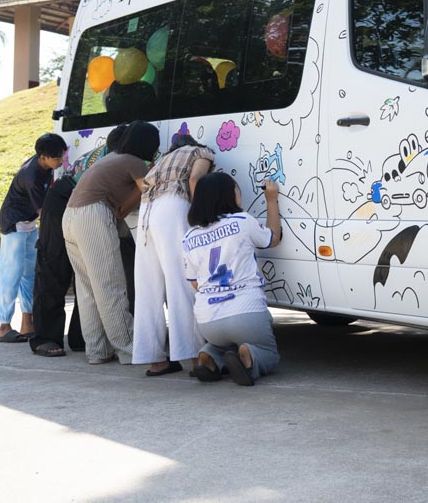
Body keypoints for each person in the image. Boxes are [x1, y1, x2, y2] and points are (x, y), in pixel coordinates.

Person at [62, 120, 159, 364]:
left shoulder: (111, 158)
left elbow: (120, 211)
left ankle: (98, 350)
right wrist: (153, 175)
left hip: (70, 216)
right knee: (110, 285)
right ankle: (131, 349)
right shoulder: (134, 162)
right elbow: (150, 191)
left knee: (87, 289)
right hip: (92, 216)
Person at [29, 124, 129, 357]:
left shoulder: (117, 154)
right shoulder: (120, 158)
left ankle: (81, 336)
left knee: (86, 273)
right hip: (63, 199)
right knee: (54, 267)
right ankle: (45, 337)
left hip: (85, 204)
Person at [183, 172, 282, 386]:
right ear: (228, 195)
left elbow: (194, 283)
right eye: (237, 189)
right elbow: (273, 238)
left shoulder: (189, 237)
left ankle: (209, 357)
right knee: (268, 353)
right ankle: (249, 356)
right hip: (246, 312)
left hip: (208, 320)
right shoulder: (243, 221)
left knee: (221, 345)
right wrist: (271, 200)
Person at [133, 133, 214, 376]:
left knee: (148, 287)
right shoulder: (201, 152)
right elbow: (195, 178)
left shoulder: (163, 160)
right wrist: (203, 217)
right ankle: (197, 358)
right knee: (182, 282)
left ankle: (154, 359)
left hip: (147, 213)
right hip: (174, 208)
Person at [0, 133, 67, 343]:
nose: (61, 161)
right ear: (44, 157)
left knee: (30, 275)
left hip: (29, 223)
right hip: (14, 224)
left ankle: (27, 323)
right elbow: (44, 210)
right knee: (11, 274)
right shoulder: (32, 176)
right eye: (57, 158)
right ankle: (3, 326)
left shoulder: (45, 167)